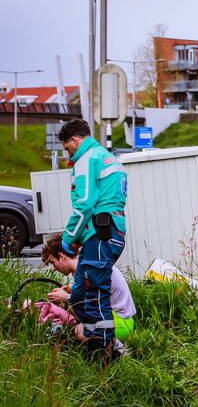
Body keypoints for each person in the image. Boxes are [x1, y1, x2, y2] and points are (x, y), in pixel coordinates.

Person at [58, 118, 128, 358]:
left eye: (67, 148)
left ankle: (105, 351)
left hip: (100, 234)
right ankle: (100, 341)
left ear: (75, 141)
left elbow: (85, 205)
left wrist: (69, 237)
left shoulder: (87, 159)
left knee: (94, 295)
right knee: (78, 296)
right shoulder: (107, 157)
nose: (68, 154)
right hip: (110, 232)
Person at [40, 236, 136, 346]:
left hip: (121, 322)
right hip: (112, 316)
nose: (54, 268)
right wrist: (72, 291)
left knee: (80, 331)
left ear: (61, 257)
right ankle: (104, 346)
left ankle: (118, 348)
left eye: (53, 263)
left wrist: (66, 297)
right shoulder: (82, 267)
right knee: (70, 308)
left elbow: (93, 303)